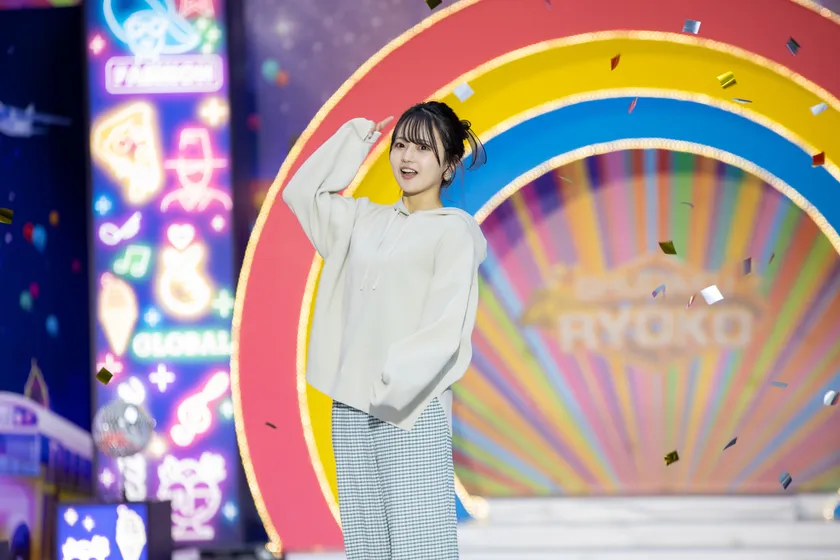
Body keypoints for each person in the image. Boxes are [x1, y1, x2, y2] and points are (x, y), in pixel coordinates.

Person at [282, 100, 488, 559]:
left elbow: (446, 327)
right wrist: (354, 139)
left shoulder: (454, 232)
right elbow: (301, 194)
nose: (407, 157)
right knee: (368, 546)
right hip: (351, 408)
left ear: (449, 165)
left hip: (410, 408)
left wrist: (392, 389)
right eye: (401, 145)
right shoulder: (361, 220)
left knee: (421, 547)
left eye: (423, 148)